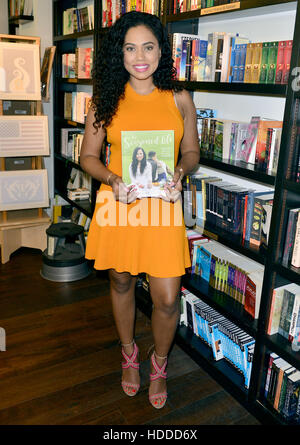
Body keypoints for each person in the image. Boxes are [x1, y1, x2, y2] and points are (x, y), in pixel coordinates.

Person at [80, 11, 200, 409]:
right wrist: (113, 180)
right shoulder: (104, 101)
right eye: (130, 48)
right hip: (121, 205)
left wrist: (181, 171)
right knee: (120, 281)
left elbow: (192, 152)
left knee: (167, 297)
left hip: (163, 207)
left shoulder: (179, 97)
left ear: (161, 51)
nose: (140, 56)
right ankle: (129, 351)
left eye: (148, 46)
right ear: (119, 54)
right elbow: (89, 158)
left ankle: (159, 361)